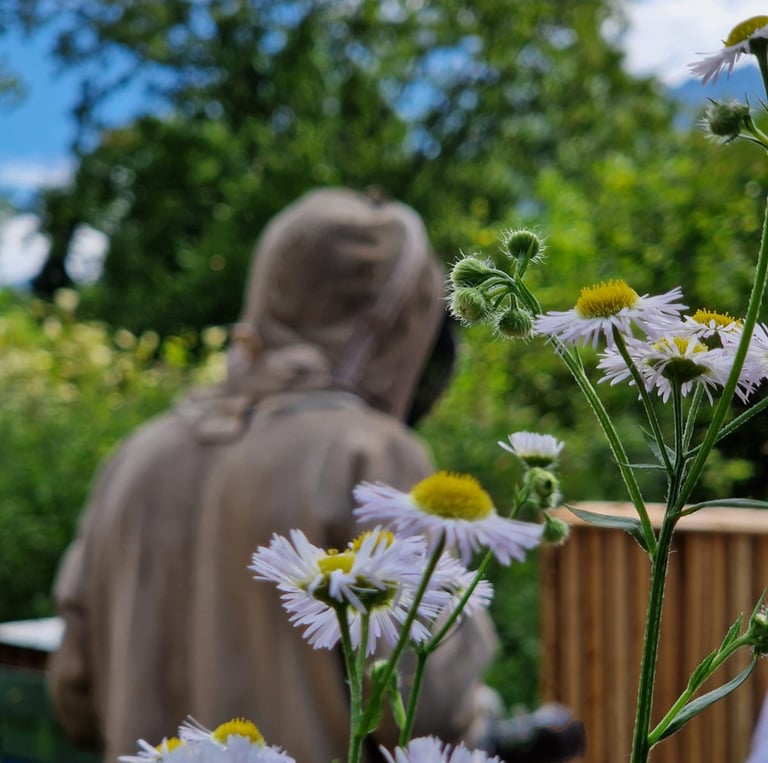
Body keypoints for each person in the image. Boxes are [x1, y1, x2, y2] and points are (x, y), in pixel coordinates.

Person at [47, 187, 584, 763]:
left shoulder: (136, 456)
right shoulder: (369, 454)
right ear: (398, 328)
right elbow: (430, 713)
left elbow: (74, 694)